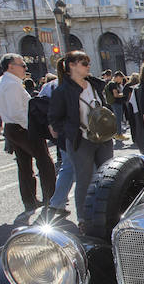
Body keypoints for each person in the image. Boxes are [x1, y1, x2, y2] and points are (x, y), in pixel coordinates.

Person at [48, 51, 113, 222]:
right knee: (84, 180)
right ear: (72, 66)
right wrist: (71, 129)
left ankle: (106, 213)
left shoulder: (95, 84)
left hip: (103, 138)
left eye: (88, 63)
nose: (88, 66)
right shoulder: (63, 90)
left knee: (107, 176)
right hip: (81, 140)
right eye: (84, 63)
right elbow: (54, 119)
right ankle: (84, 219)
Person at [0, 53, 56, 212]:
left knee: (24, 166)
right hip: (23, 127)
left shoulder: (2, 82)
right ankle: (52, 199)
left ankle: (30, 200)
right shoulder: (12, 84)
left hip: (12, 127)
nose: (25, 68)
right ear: (11, 66)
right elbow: (18, 112)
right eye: (22, 65)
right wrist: (35, 127)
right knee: (45, 162)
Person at [105, 71, 128, 141]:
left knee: (117, 119)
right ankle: (118, 134)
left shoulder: (112, 84)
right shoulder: (113, 84)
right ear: (117, 77)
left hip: (114, 103)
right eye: (121, 78)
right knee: (118, 119)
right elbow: (116, 95)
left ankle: (118, 134)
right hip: (116, 103)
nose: (121, 80)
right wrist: (124, 94)